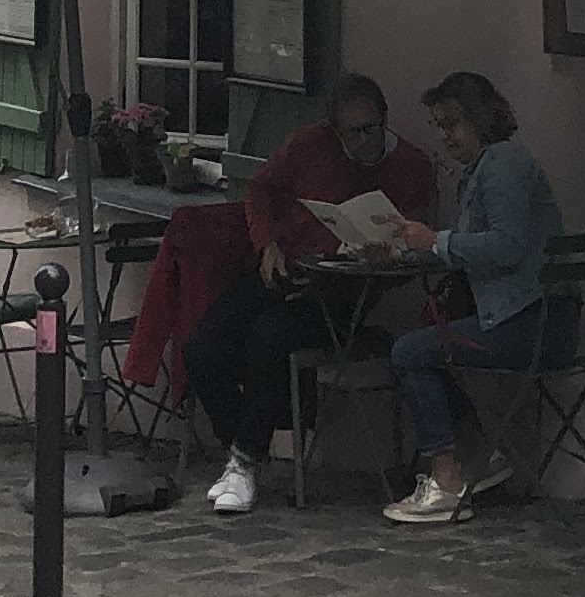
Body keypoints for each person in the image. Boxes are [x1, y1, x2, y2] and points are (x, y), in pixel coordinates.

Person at [185, 75, 437, 518]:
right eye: (352, 133)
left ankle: (244, 463)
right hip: (283, 271)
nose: (364, 141)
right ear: (334, 132)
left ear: (385, 121)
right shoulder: (308, 144)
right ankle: (240, 448)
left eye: (372, 129)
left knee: (270, 337)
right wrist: (267, 244)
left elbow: (420, 246)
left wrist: (386, 259)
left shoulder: (412, 167)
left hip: (341, 294)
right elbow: (260, 189)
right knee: (202, 346)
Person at [382, 70, 576, 526]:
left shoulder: (503, 164)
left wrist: (434, 241)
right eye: (439, 125)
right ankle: (480, 452)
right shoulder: (489, 166)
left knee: (410, 352)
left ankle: (447, 479)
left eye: (452, 123)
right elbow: (471, 245)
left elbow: (507, 245)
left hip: (532, 321)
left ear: (482, 117)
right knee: (426, 347)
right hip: (535, 317)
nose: (445, 136)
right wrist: (406, 250)